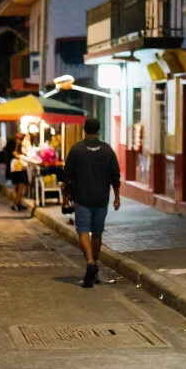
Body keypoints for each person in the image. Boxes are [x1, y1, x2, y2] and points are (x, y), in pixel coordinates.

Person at [62, 118, 121, 287]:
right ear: (99, 130)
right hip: (101, 198)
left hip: (82, 198)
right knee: (97, 233)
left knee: (83, 231)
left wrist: (65, 197)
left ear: (84, 130)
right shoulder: (107, 150)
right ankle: (94, 265)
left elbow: (67, 177)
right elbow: (115, 176)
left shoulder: (76, 149)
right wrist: (117, 197)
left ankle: (90, 263)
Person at [9, 133, 33, 214]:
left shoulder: (15, 143)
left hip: (15, 167)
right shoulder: (20, 145)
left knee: (18, 187)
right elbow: (17, 154)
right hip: (19, 167)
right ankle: (16, 203)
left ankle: (18, 203)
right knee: (21, 187)